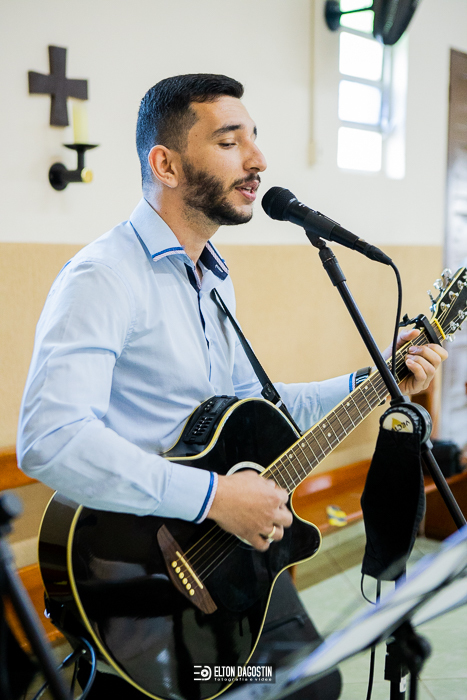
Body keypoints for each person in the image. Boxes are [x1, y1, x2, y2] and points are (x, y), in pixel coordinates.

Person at [17, 74, 447, 698]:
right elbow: (50, 439)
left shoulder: (215, 278)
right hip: (146, 577)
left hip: (230, 559)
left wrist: (374, 377)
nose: (258, 160)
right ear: (165, 164)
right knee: (283, 686)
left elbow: (261, 407)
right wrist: (214, 497)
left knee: (313, 682)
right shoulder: (103, 277)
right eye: (229, 141)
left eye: (254, 138)